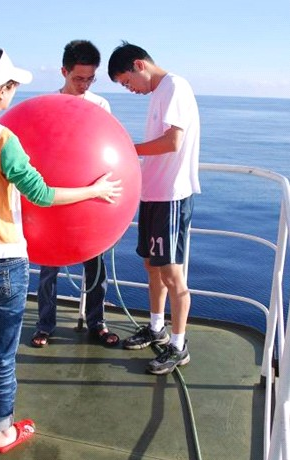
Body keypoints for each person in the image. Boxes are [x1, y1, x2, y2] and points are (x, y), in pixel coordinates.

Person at [0, 47, 122, 453]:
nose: (14, 94)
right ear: (0, 90)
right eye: (12, 87)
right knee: (2, 352)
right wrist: (94, 190)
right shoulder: (2, 138)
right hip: (0, 258)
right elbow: (40, 194)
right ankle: (3, 429)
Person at [108, 42, 201, 375]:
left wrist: (128, 148)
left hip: (171, 196)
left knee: (173, 275)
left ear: (139, 65)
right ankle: (157, 327)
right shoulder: (159, 92)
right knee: (152, 266)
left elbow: (173, 141)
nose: (129, 88)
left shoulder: (175, 87)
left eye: (126, 81)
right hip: (153, 194)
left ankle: (178, 346)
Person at [32, 40, 120, 349]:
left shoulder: (100, 106)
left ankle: (97, 322)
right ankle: (45, 325)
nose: (84, 85)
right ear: (64, 72)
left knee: (96, 266)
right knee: (48, 268)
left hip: (91, 197)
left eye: (90, 79)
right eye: (78, 78)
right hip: (55, 197)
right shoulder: (47, 105)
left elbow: (108, 151)